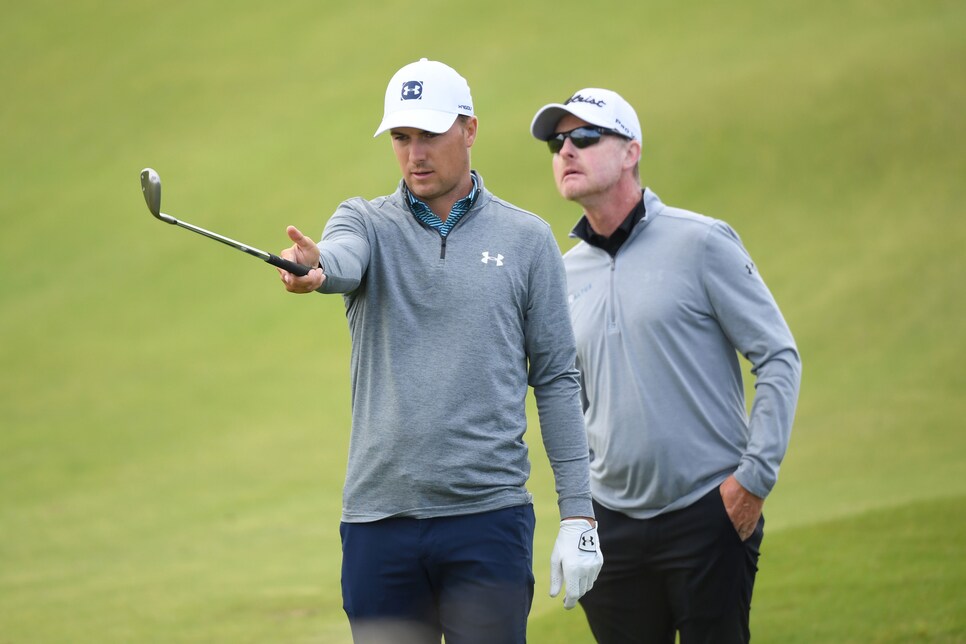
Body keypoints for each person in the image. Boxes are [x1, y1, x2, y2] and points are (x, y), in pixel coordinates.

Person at [276, 59, 603, 644]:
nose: (414, 153)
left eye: (429, 134)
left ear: (469, 130)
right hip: (379, 524)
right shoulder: (366, 222)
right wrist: (315, 268)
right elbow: (341, 258)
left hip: (487, 519)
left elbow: (555, 378)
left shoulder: (526, 240)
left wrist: (578, 512)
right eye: (401, 137)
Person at [529, 88, 802, 643]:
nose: (566, 151)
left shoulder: (701, 242)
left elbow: (777, 356)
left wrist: (754, 479)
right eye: (558, 143)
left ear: (631, 151)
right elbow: (566, 400)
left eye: (585, 137)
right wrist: (580, 514)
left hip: (707, 511)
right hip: (611, 527)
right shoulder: (562, 274)